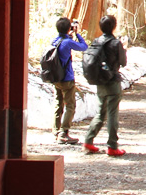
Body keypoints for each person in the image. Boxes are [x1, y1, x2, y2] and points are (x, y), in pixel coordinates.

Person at [84, 15, 128, 157]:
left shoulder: (96, 41)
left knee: (100, 112)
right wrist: (124, 47)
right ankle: (112, 146)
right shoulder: (116, 43)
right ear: (114, 27)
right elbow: (123, 62)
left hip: (100, 83)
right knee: (112, 113)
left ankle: (88, 141)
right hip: (112, 82)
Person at [51, 17, 87, 144]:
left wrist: (69, 35)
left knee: (58, 103)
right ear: (68, 28)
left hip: (56, 78)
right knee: (70, 105)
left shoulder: (55, 40)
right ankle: (64, 132)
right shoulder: (67, 42)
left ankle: (56, 130)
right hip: (67, 79)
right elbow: (84, 47)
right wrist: (77, 33)